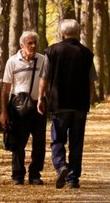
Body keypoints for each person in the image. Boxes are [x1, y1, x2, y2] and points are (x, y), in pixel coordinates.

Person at [37, 19, 97, 189]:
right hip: (79, 105)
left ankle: (61, 165)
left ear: (62, 33)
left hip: (59, 103)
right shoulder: (86, 54)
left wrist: (40, 98)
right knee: (77, 141)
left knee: (58, 140)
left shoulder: (52, 51)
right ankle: (73, 179)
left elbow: (44, 77)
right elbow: (91, 81)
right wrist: (89, 101)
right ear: (78, 33)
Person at [1, 30, 48, 185]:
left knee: (39, 142)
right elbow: (6, 89)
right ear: (22, 45)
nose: (33, 46)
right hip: (18, 106)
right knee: (18, 142)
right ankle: (18, 174)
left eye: (35, 42)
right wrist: (4, 112)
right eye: (30, 43)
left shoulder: (43, 60)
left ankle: (35, 174)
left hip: (38, 105)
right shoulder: (12, 62)